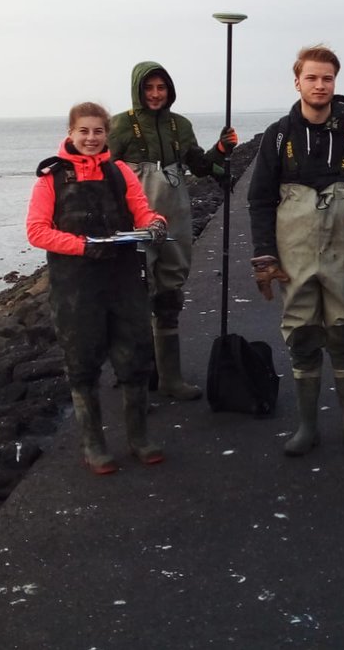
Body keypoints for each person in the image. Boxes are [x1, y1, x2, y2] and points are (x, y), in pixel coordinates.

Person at [248, 45, 344, 456]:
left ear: (335, 82)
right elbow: (259, 200)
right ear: (297, 82)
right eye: (311, 77)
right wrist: (265, 256)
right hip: (295, 248)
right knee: (303, 331)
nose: (320, 85)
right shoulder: (277, 135)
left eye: (327, 78)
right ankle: (307, 427)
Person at [26, 101, 169, 474]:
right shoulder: (50, 178)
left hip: (124, 279)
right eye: (84, 131)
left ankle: (139, 438)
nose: (91, 138)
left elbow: (142, 210)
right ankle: (93, 445)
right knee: (82, 362)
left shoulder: (120, 171)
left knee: (135, 357)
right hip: (76, 286)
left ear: (108, 133)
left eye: (98, 131)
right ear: (71, 133)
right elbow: (37, 231)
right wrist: (83, 246)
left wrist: (155, 223)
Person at [108, 62, 237, 401]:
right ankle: (136, 379)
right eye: (148, 88)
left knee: (169, 295)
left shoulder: (181, 125)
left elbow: (199, 165)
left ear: (169, 90)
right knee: (135, 298)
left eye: (160, 88)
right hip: (135, 222)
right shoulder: (120, 125)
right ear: (138, 89)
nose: (154, 94)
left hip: (175, 219)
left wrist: (222, 152)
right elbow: (102, 173)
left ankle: (170, 379)